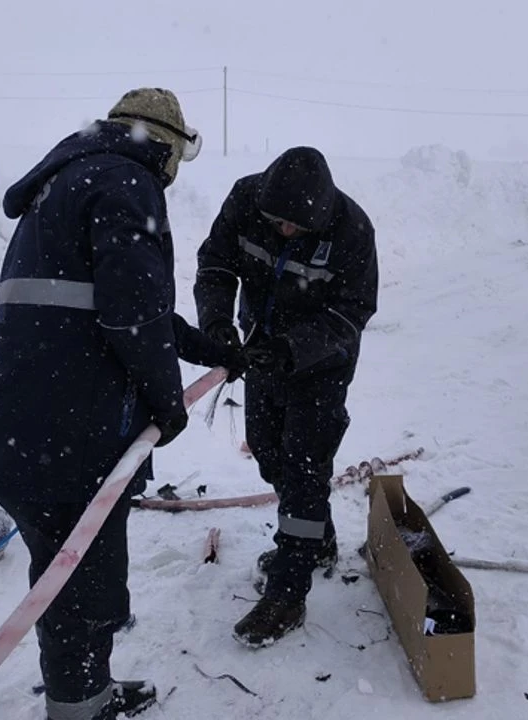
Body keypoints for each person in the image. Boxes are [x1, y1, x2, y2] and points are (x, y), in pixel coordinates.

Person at [0, 88, 241, 720]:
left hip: (24, 421)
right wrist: (167, 402)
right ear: (166, 147)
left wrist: (202, 346)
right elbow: (132, 312)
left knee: (63, 575)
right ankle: (80, 709)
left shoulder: (66, 179)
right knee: (80, 588)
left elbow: (106, 301)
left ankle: (85, 694)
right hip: (73, 433)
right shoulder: (127, 181)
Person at [193, 146, 379, 648]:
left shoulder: (351, 229)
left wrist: (293, 349)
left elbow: (353, 311)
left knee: (303, 468)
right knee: (269, 451)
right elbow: (215, 263)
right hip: (260, 352)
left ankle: (287, 592)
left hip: (321, 365)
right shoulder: (245, 199)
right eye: (278, 223)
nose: (286, 233)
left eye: (298, 227)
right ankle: (317, 541)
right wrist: (215, 323)